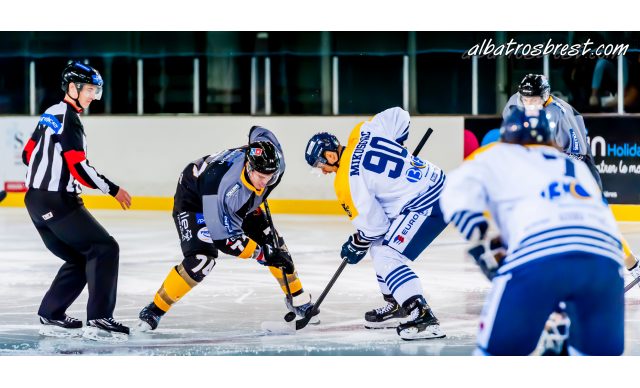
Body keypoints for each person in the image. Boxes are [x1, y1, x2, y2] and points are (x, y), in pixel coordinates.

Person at [440, 107, 625, 356]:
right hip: (606, 264)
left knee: (494, 357)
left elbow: (455, 189)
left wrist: (477, 233)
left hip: (539, 256)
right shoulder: (573, 164)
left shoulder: (498, 154)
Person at [137, 126, 317, 331]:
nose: (265, 182)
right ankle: (154, 310)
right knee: (201, 260)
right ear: (248, 167)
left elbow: (257, 130)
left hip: (233, 195)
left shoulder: (275, 162)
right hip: (194, 196)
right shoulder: (223, 188)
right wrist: (262, 254)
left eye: (270, 175)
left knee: (273, 242)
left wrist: (269, 249)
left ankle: (298, 298)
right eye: (260, 176)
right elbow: (226, 240)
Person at [304, 107, 447, 340]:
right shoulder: (362, 131)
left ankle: (422, 316)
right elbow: (400, 115)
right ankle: (397, 303)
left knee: (388, 255)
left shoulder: (346, 182)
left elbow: (373, 227)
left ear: (330, 156)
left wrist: (355, 243)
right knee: (379, 245)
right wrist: (397, 147)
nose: (327, 172)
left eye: (323, 166)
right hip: (435, 182)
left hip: (427, 203)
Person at [22, 61, 132, 341]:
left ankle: (52, 313)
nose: (93, 96)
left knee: (80, 258)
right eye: (90, 90)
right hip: (59, 202)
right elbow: (79, 168)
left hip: (35, 201)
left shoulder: (50, 113)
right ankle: (99, 319)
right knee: (105, 248)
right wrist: (113, 189)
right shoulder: (69, 118)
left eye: (97, 91)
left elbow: (27, 153)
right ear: (73, 88)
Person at [502, 74, 640, 279]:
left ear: (546, 96)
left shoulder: (561, 113)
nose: (529, 104)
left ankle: (633, 265)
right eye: (526, 99)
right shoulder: (515, 103)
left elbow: (576, 153)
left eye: (535, 100)